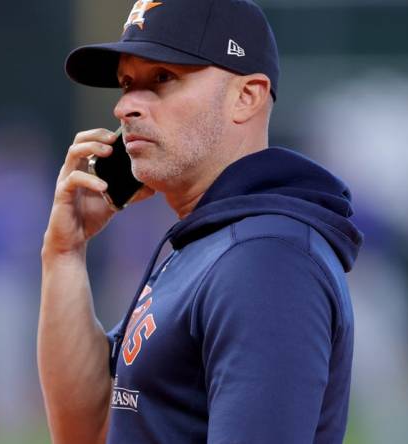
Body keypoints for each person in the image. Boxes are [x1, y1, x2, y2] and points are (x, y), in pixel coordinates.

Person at [38, 1, 363, 443]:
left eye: (162, 79)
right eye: (126, 84)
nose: (125, 107)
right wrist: (65, 253)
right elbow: (88, 432)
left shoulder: (267, 259)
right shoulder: (208, 243)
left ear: (246, 96)